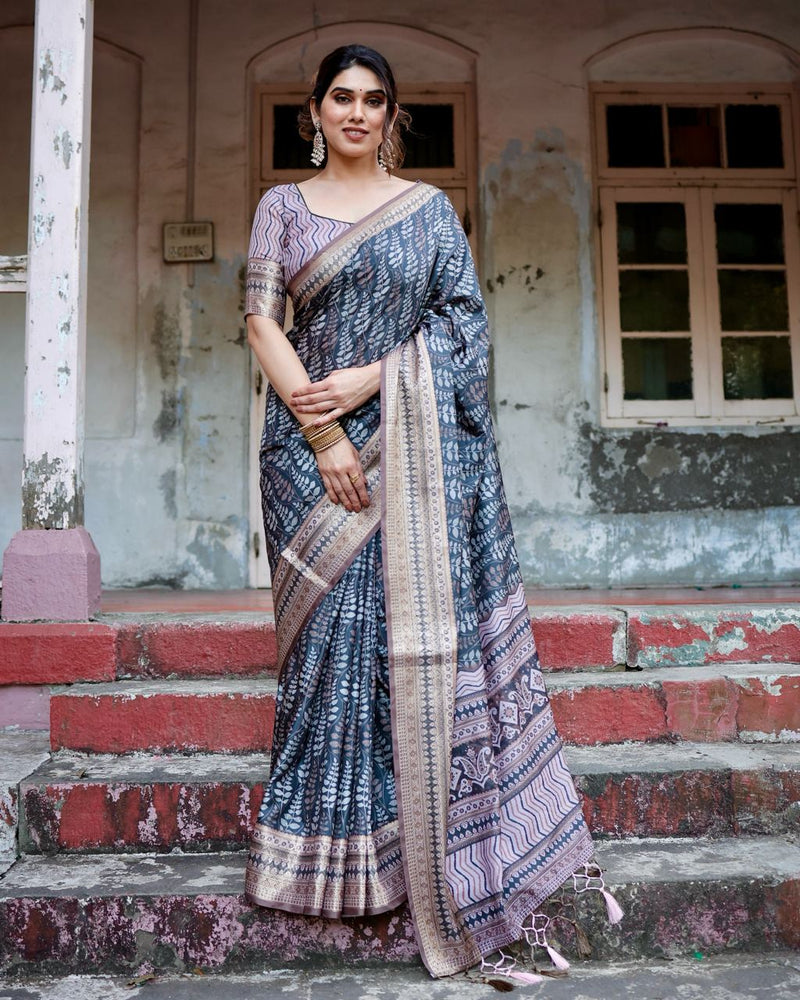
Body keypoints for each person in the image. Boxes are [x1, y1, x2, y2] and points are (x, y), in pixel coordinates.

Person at [243, 44, 620, 979]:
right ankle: (325, 863)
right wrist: (325, 436)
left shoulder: (429, 213)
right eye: (342, 98)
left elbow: (463, 326)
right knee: (329, 642)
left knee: (399, 644)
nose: (358, 113)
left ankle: (419, 853)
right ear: (315, 112)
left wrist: (376, 375)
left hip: (409, 453)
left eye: (375, 100)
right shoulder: (282, 209)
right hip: (305, 452)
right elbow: (259, 321)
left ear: (393, 115)